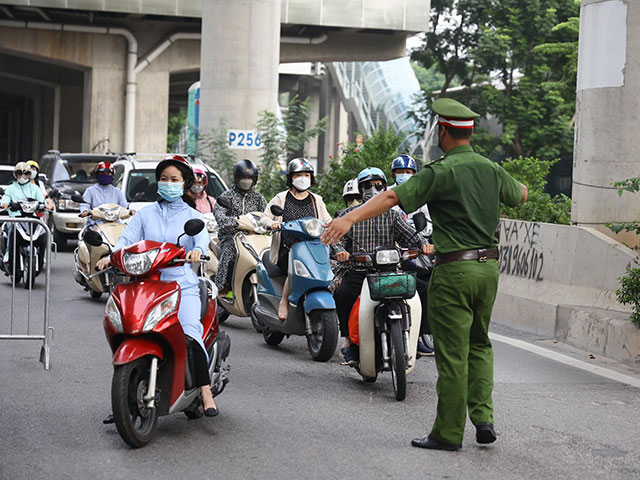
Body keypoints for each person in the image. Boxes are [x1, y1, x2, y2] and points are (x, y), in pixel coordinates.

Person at [321, 98, 528, 451]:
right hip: (488, 269)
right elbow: (521, 195)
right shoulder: (490, 168)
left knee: (452, 353)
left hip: (455, 269)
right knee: (480, 344)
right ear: (470, 133)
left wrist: (349, 218)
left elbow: (391, 197)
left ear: (443, 132)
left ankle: (448, 433)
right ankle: (483, 418)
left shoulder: (440, 170)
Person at [97, 155, 219, 418]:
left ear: (184, 183)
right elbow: (126, 241)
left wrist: (197, 251)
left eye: (174, 179)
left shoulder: (192, 216)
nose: (168, 183)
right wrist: (111, 256)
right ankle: (124, 397)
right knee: (130, 328)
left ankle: (205, 391)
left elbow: (201, 241)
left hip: (181, 284)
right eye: (164, 179)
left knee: (190, 332)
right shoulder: (145, 214)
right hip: (147, 282)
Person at [332, 167, 432, 365]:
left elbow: (411, 235)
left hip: (390, 271)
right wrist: (339, 252)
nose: (373, 189)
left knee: (424, 289)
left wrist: (423, 245)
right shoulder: (348, 214)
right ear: (360, 191)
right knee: (343, 293)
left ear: (386, 187)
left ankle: (418, 336)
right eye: (367, 186)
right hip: (360, 271)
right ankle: (348, 342)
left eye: (378, 185)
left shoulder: (393, 216)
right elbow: (336, 239)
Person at [261, 158, 332, 321]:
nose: (303, 178)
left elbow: (327, 220)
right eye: (299, 174)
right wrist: (271, 224)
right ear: (291, 178)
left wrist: (333, 225)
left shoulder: (317, 200)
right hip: (288, 247)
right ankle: (284, 301)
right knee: (293, 268)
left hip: (313, 246)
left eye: (307, 174)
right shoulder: (281, 198)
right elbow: (265, 217)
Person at [389, 155, 434, 357]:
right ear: (393, 175)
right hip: (390, 252)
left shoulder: (421, 196)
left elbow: (428, 222)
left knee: (427, 287)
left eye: (408, 172)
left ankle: (419, 334)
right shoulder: (388, 195)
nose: (404, 176)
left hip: (415, 249)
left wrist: (421, 235)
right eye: (400, 172)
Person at [213, 159, 267, 296]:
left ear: (254, 180)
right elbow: (219, 213)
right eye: (243, 177)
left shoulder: (258, 198)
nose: (246, 180)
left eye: (249, 178)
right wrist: (229, 222)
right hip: (231, 236)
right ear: (236, 178)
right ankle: (221, 285)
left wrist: (272, 223)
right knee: (230, 251)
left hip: (254, 237)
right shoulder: (227, 196)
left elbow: (266, 215)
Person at [0, 162, 51, 273]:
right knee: (10, 231)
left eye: (26, 173)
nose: (23, 176)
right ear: (15, 175)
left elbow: (42, 202)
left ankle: (42, 258)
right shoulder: (11, 188)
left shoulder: (35, 189)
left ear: (30, 175)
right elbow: (5, 198)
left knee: (43, 233)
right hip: (15, 219)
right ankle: (8, 256)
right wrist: (5, 204)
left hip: (32, 219)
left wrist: (46, 206)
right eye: (20, 173)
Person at [79, 162, 130, 227]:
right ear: (97, 174)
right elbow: (85, 204)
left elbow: (125, 207)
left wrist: (131, 211)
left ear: (112, 175)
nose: (105, 175)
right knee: (91, 236)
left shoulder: (117, 192)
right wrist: (85, 211)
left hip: (115, 225)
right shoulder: (90, 190)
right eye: (102, 173)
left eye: (108, 173)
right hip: (95, 225)